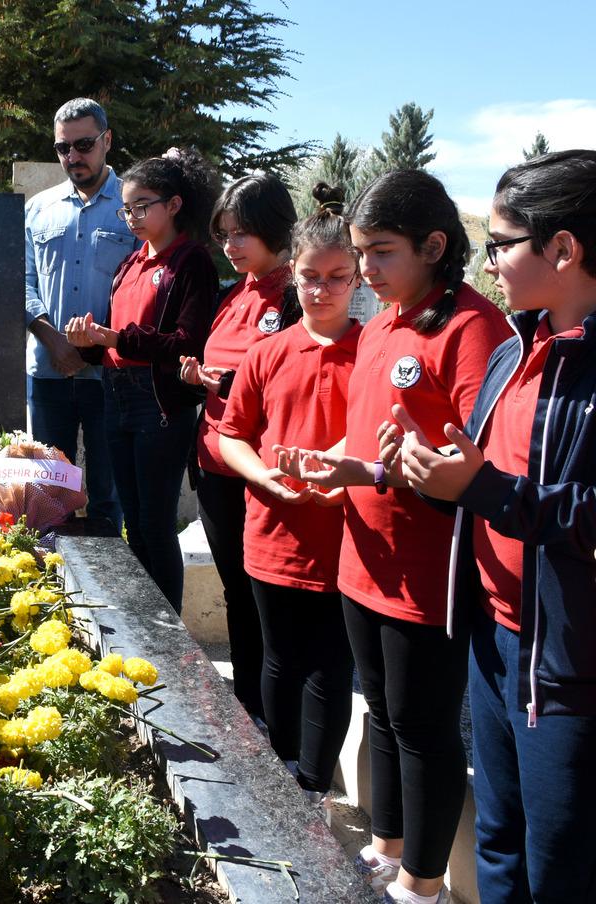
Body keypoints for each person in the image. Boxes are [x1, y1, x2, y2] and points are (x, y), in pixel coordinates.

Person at [276, 170, 511, 904]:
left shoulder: (476, 329)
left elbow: (481, 461)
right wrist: (344, 468)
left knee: (423, 726)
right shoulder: (380, 325)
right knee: (380, 709)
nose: (366, 273)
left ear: (434, 246)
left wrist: (381, 468)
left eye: (380, 253)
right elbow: (377, 445)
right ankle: (386, 845)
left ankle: (423, 882)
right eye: (360, 254)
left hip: (425, 569)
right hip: (362, 558)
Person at [392, 151, 596, 904]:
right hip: (495, 642)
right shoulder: (517, 349)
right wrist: (431, 475)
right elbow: (487, 483)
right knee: (499, 847)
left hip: (570, 672)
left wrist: (482, 486)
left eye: (502, 243)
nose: (492, 263)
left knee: (562, 869)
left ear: (564, 249)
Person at [216, 183, 360, 810]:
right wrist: (261, 476)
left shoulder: (375, 351)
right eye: (309, 276)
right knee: (279, 659)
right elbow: (231, 435)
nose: (321, 289)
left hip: (345, 541)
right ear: (293, 275)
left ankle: (313, 785)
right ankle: (281, 777)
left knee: (330, 669)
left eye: (337, 276)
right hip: (272, 533)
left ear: (358, 279)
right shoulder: (270, 351)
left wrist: (344, 475)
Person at [64, 149, 218, 612]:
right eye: (126, 208)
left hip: (159, 405)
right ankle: (144, 622)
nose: (131, 217)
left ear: (173, 205)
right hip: (117, 396)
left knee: (155, 523)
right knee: (133, 518)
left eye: (142, 206)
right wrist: (89, 340)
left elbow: (187, 342)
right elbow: (115, 342)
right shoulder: (130, 265)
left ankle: (166, 629)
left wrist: (117, 338)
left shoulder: (191, 262)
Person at [179, 171, 299, 721]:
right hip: (214, 458)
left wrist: (229, 382)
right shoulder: (233, 293)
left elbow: (295, 379)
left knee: (267, 597)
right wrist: (198, 376)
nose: (229, 247)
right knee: (234, 591)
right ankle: (248, 701)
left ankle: (277, 711)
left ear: (274, 230)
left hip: (262, 467)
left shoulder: (298, 294)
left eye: (241, 234)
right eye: (223, 234)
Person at [24, 97, 135, 533]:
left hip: (110, 374)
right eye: (62, 148)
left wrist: (96, 345)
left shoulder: (132, 209)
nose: (73, 157)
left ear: (107, 141)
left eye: (84, 144)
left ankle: (110, 594)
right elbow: (21, 279)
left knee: (109, 495)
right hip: (48, 371)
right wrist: (52, 339)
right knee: (50, 495)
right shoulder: (38, 208)